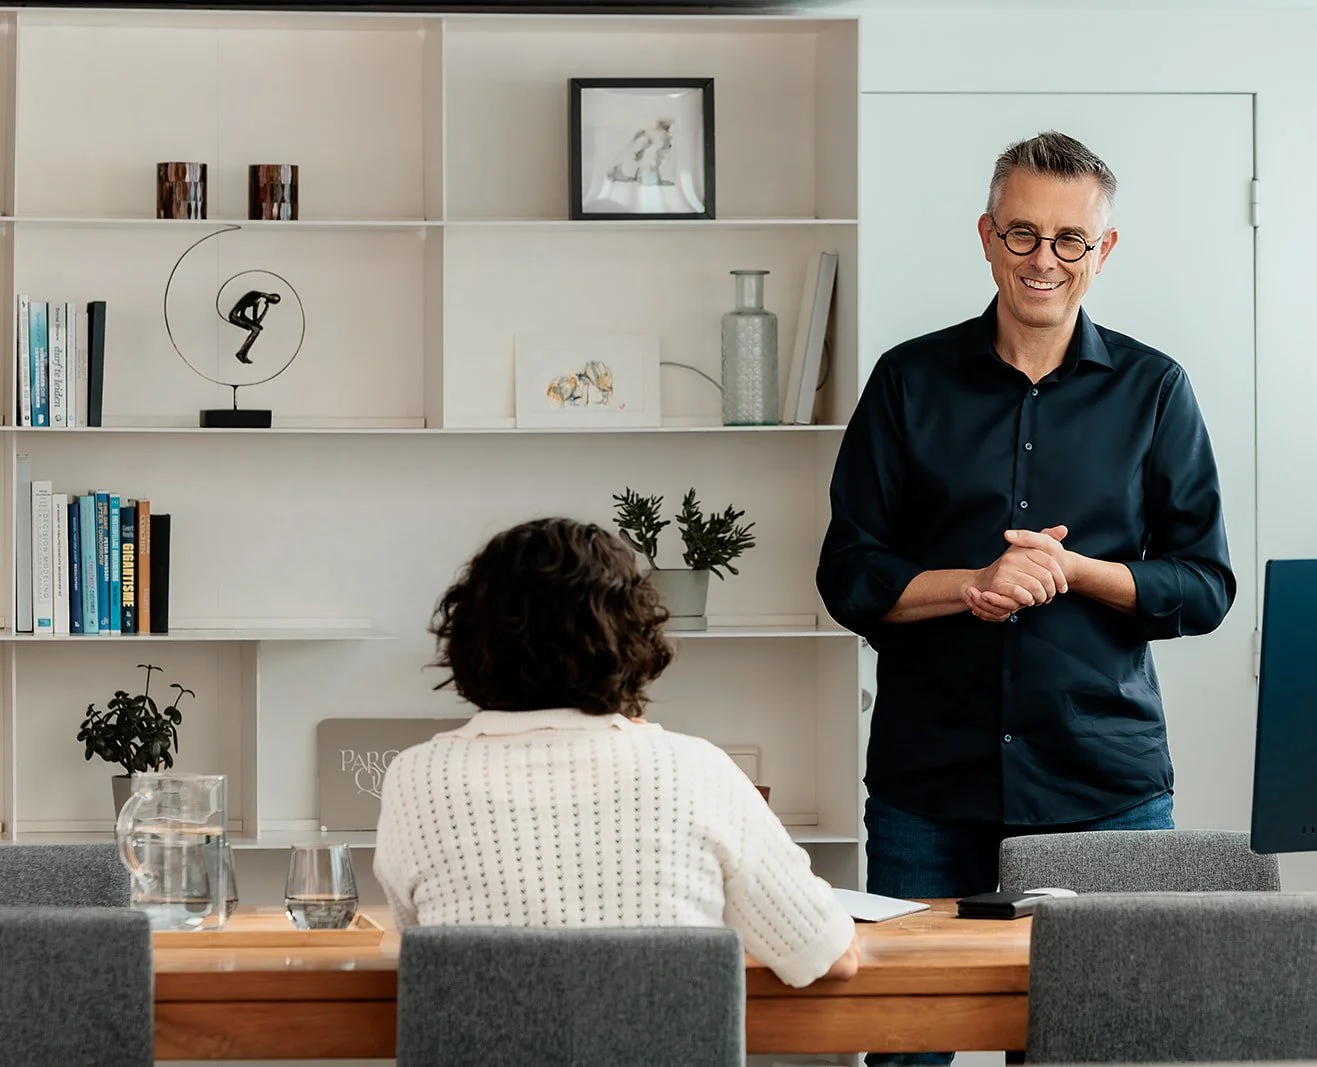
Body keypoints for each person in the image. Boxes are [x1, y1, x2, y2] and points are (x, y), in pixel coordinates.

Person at [817, 130, 1233, 1062]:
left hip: (1104, 792)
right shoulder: (907, 381)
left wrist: (1076, 572)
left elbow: (1205, 584)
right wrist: (973, 584)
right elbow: (848, 572)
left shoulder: (1156, 389)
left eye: (1069, 238)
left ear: (1103, 249)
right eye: (1022, 233)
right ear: (986, 235)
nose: (1044, 259)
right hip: (931, 789)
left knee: (1096, 1046)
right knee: (907, 1047)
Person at [374, 516, 859, 989]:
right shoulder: (696, 769)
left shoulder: (417, 777)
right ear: (633, 640)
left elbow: (423, 945)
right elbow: (828, 955)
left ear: (470, 640)